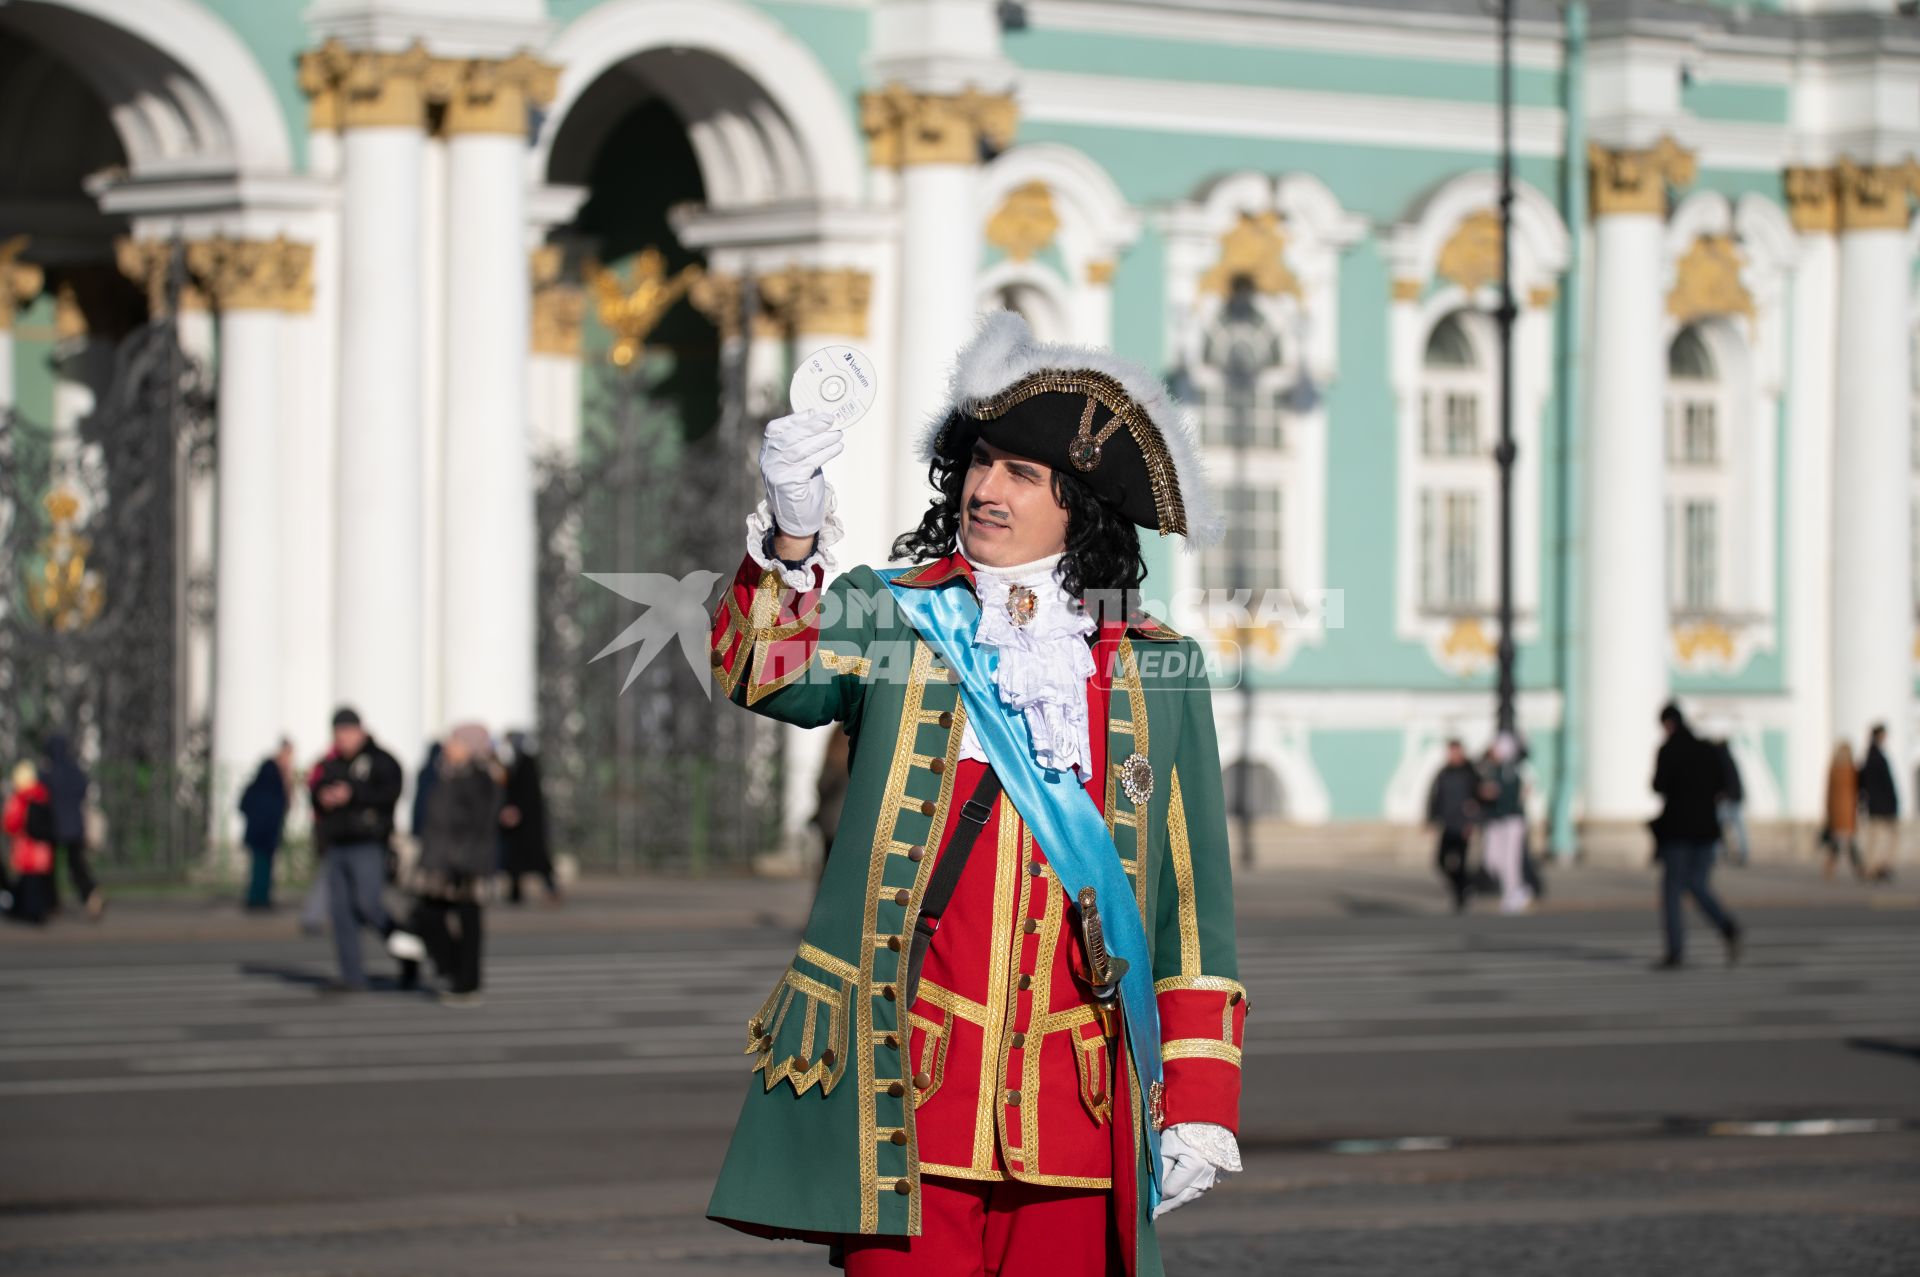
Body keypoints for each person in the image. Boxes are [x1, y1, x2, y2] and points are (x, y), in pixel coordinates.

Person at [704, 312, 1244, 1276]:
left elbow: (1193, 906)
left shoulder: (1157, 668)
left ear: (1081, 505)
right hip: (906, 1097)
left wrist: (1198, 1100)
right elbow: (761, 669)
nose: (986, 490)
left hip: (1077, 1107)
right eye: (982, 462)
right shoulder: (893, 613)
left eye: (1021, 475)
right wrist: (790, 531)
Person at [307, 708, 416, 991]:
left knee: (369, 905)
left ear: (359, 731)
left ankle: (408, 953)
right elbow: (316, 788)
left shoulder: (381, 760)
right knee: (341, 913)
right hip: (337, 845)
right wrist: (323, 796)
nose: (342, 738)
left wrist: (353, 794)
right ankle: (351, 975)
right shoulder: (332, 764)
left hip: (367, 843)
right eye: (337, 733)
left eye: (346, 732)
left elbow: (390, 792)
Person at [403, 724, 501, 1005]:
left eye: (455, 741)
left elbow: (478, 824)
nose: (448, 745)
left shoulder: (480, 778)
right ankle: (453, 971)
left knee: (468, 922)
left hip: (464, 863)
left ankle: (467, 981)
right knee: (428, 915)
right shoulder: (445, 773)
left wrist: (461, 857)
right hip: (439, 860)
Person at [1650, 702, 1742, 970]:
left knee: (1672, 890)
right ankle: (1727, 926)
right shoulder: (1706, 749)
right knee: (1697, 884)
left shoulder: (1668, 751)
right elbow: (1723, 785)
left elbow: (1658, 786)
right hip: (1706, 829)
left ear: (1668, 725)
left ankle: (1675, 950)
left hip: (1677, 830)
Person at [42, 734, 102, 919]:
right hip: (75, 825)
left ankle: (52, 902)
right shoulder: (73, 769)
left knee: (49, 867)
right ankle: (90, 893)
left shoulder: (49, 773)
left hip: (54, 826)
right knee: (76, 865)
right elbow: (83, 789)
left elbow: (41, 794)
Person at [499, 730, 558, 904]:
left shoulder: (526, 762)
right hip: (518, 822)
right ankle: (515, 892)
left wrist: (517, 810)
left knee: (537, 857)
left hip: (529, 821)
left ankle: (550, 888)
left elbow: (528, 793)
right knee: (515, 860)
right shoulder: (514, 763)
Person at [1478, 734, 1531, 914]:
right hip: (1495, 819)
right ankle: (1516, 890)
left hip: (1511, 819)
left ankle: (1513, 894)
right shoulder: (1491, 768)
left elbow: (1513, 793)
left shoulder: (1511, 770)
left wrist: (1496, 793)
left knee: (1510, 861)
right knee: (1491, 860)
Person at [1426, 739, 1481, 912]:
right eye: (1450, 751)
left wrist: (1473, 822)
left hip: (1463, 825)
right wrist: (1432, 819)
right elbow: (1435, 796)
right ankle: (1463, 888)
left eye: (1455, 751)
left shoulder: (1470, 772)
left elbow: (1478, 799)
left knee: (1461, 862)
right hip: (1448, 823)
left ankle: (1462, 895)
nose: (1452, 755)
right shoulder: (1444, 772)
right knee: (1441, 861)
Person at [239, 740, 294, 911]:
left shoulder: (259, 785)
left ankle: (258, 897)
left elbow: (243, 805)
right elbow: (282, 804)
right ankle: (258, 898)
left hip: (259, 831)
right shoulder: (274, 779)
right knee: (262, 867)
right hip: (266, 832)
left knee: (260, 866)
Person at [4, 761, 55, 924]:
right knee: (38, 884)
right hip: (42, 848)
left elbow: (10, 824)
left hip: (25, 847)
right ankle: (40, 911)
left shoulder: (19, 799)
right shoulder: (43, 795)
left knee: (28, 883)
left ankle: (29, 913)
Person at [1857, 724, 1899, 883]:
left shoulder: (1870, 755)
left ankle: (1874, 867)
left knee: (1876, 838)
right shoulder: (1876, 756)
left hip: (1877, 805)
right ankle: (1874, 867)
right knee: (1879, 838)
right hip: (1882, 806)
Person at [1822, 742, 1865, 881]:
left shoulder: (1834, 768)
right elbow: (1858, 789)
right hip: (1848, 810)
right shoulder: (1851, 769)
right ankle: (1859, 869)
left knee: (1837, 842)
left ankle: (1830, 867)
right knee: (1850, 842)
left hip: (1836, 811)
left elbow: (1828, 792)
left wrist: (1828, 811)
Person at [1714, 738, 1750, 867]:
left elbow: (1727, 782)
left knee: (1721, 827)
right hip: (1733, 798)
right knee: (1737, 828)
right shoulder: (1729, 759)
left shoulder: (1723, 760)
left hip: (1728, 800)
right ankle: (1740, 853)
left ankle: (1724, 853)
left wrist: (1723, 795)